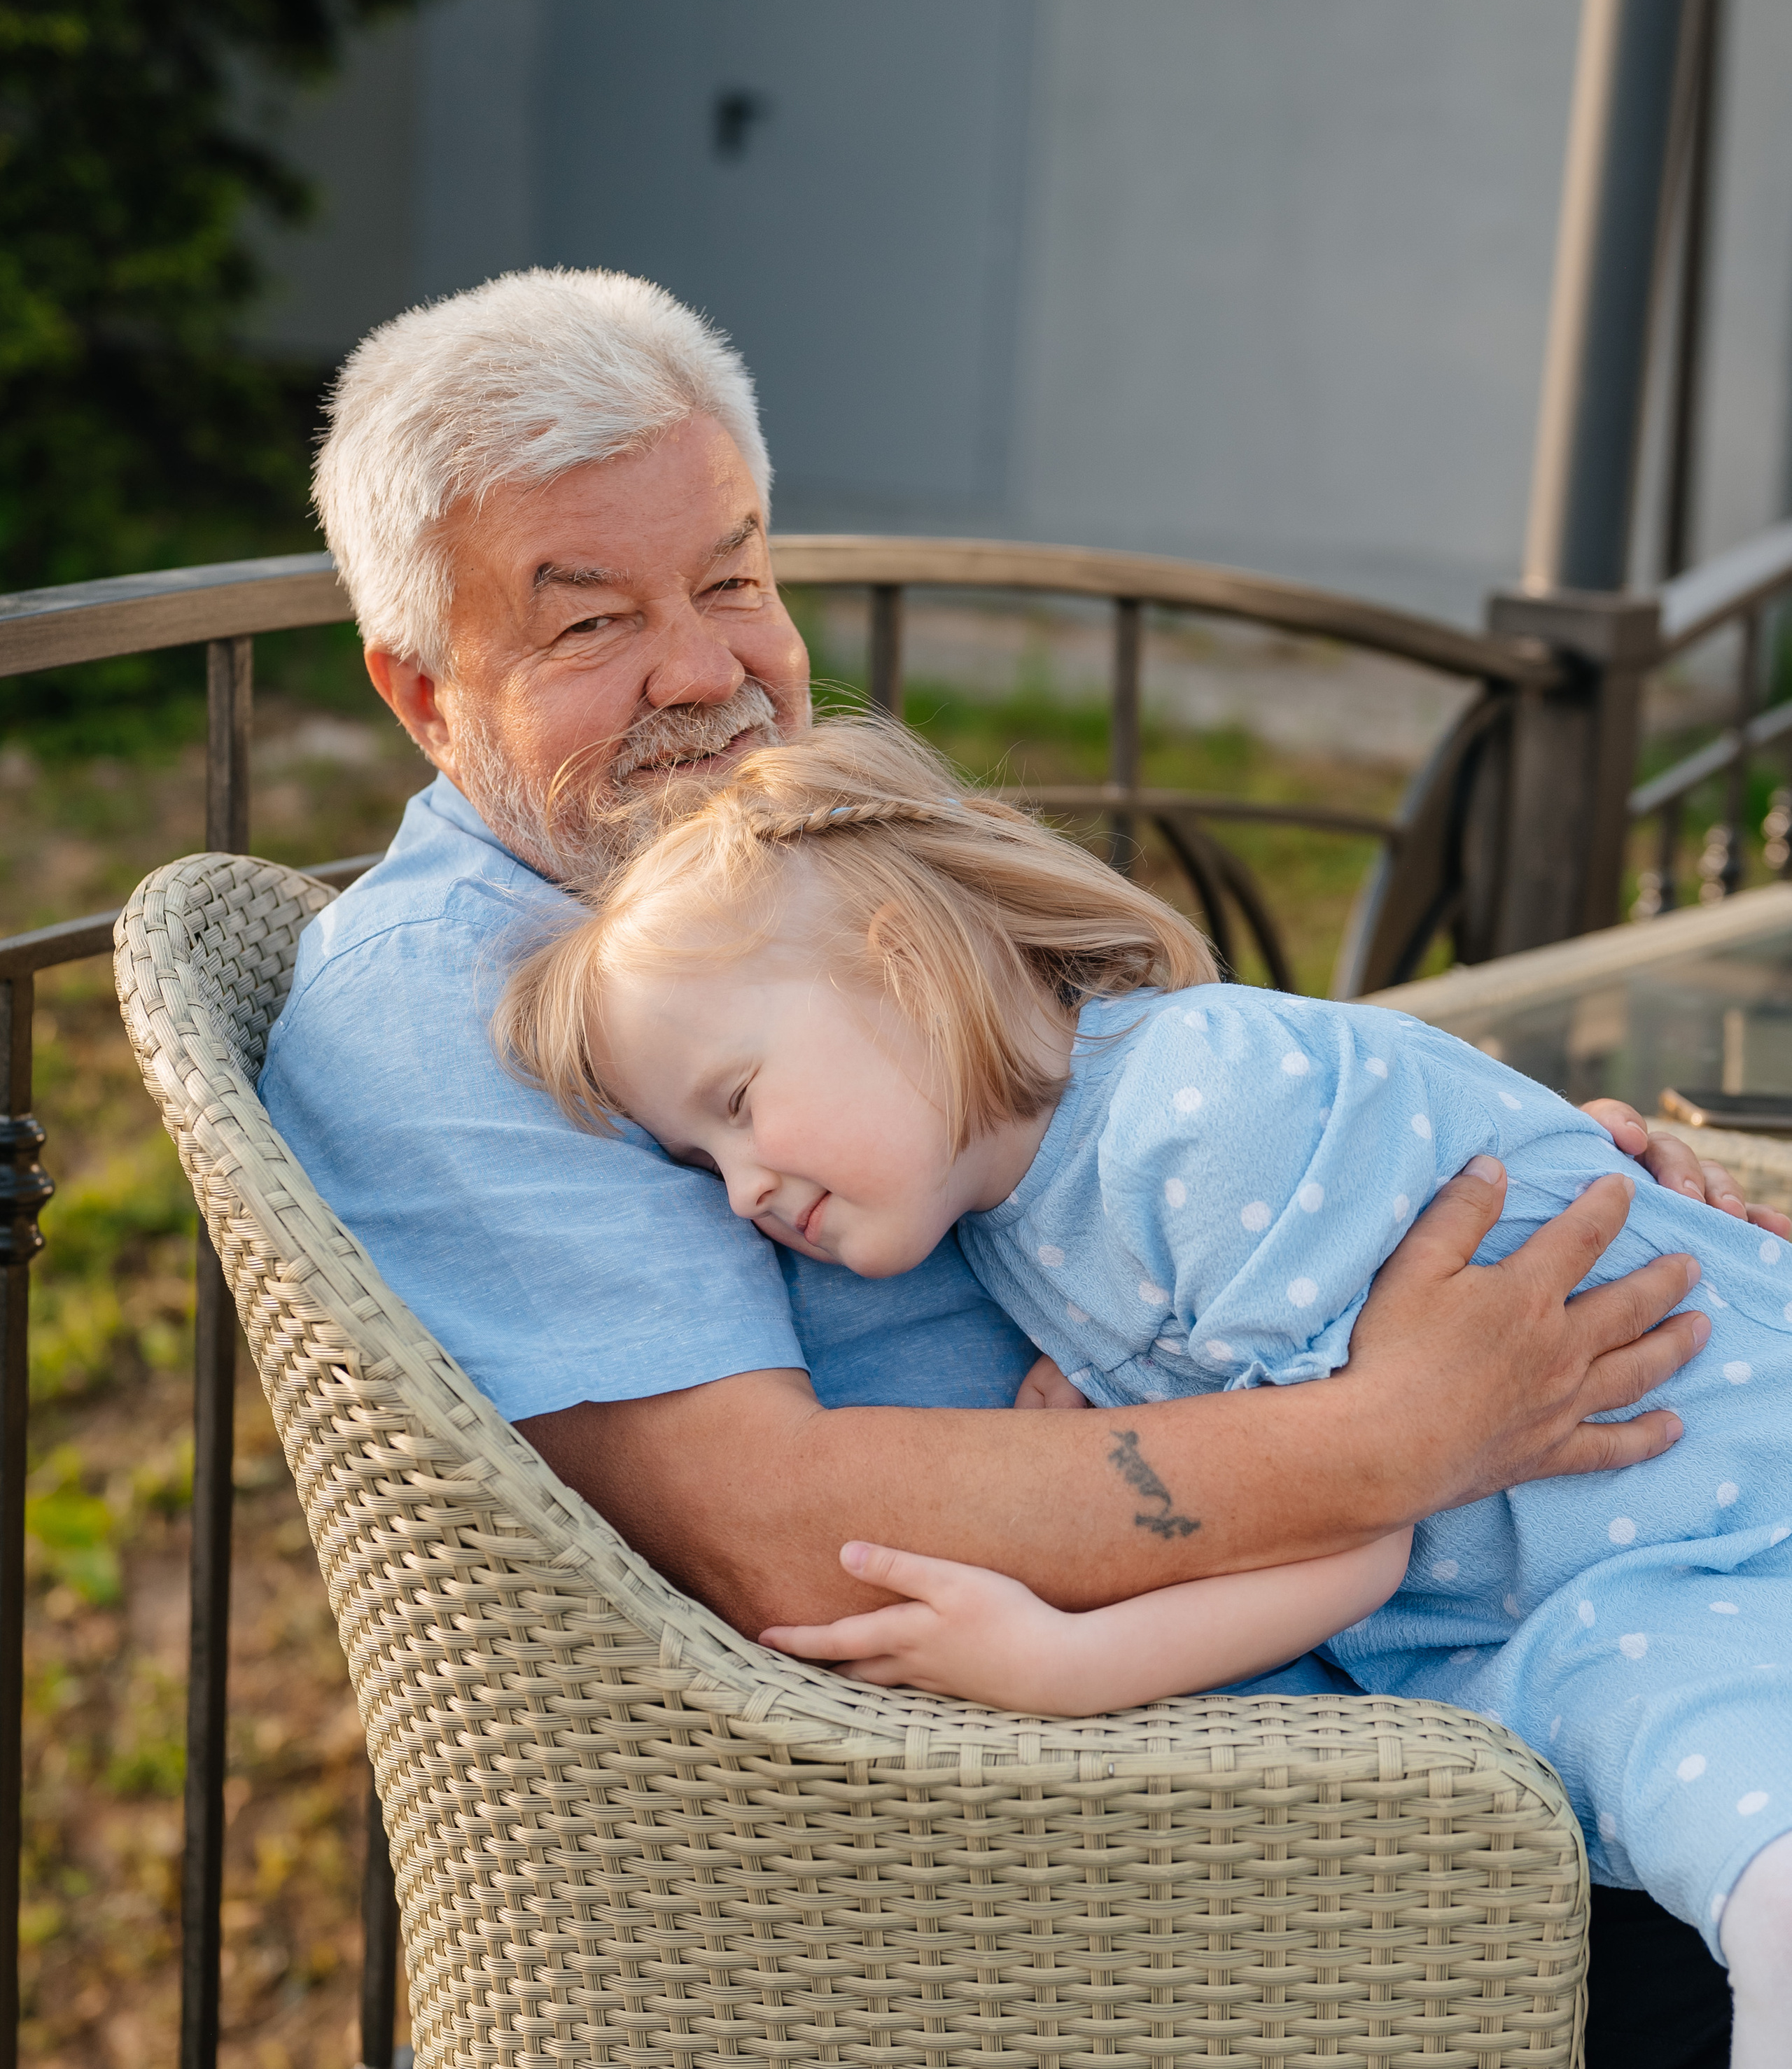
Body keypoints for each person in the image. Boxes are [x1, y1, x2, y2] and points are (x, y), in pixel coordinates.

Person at [262, 264, 1763, 2067]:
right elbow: (777, 1533)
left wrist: (1532, 1183)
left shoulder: (762, 860)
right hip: (1205, 1833)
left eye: (731, 580)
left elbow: (1141, 1085)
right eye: (587, 622)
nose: (706, 674)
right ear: (425, 694)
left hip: (1463, 1625)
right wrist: (1406, 1429)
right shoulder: (444, 996)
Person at [493, 713, 1792, 2067]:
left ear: (905, 970)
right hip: (1585, 1607)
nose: (742, 1188)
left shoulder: (1196, 1110)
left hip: (1718, 1525)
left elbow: (1361, 1504)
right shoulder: (1026, 1213)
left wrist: (1060, 1665)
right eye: (702, 1160)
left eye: (741, 1101)